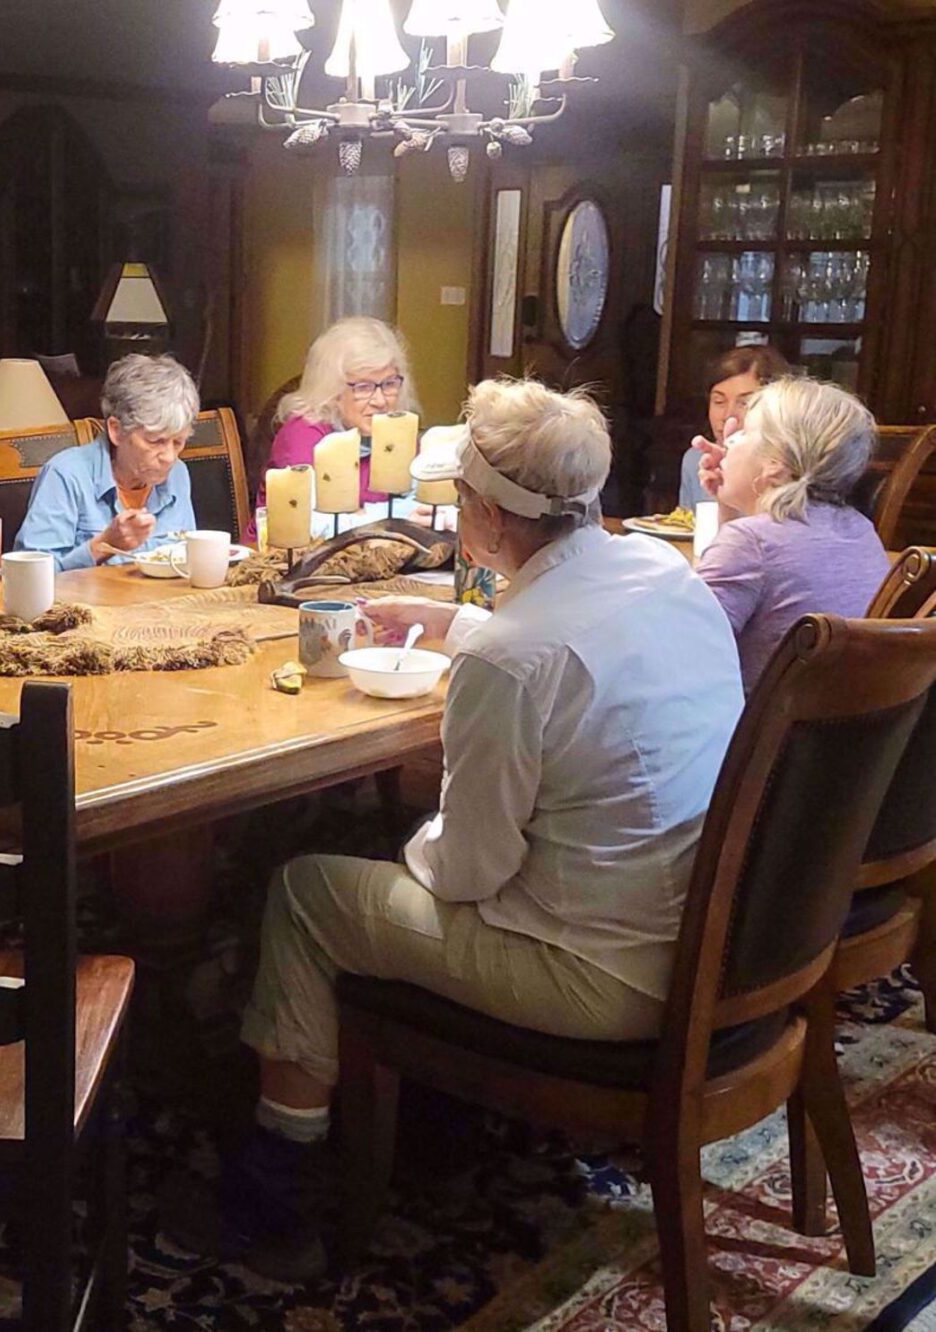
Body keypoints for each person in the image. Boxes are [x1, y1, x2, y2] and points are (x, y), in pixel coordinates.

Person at [164, 379, 745, 1281]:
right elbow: (571, 638)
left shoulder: (511, 659)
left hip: (602, 980)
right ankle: (420, 1108)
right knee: (395, 849)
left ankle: (270, 1195)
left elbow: (468, 872)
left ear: (480, 512)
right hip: (713, 942)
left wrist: (403, 845)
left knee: (308, 889)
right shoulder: (664, 575)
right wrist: (460, 621)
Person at [695, 377, 888, 691]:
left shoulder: (751, 542)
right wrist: (730, 503)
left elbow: (683, 648)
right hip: (836, 728)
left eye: (744, 432)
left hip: (754, 733)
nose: (728, 441)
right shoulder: (861, 529)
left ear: (775, 463)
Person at [14, 352, 199, 571]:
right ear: (116, 431)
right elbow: (28, 576)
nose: (169, 457)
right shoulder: (65, 475)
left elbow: (186, 559)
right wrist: (104, 545)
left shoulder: (178, 473)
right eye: (155, 441)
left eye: (178, 442)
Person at [257, 316, 421, 522]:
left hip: (380, 551)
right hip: (290, 553)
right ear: (332, 389)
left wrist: (361, 516)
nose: (380, 400)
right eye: (364, 387)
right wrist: (392, 515)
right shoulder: (303, 433)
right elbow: (311, 525)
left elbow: (426, 506)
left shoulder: (397, 431)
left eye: (389, 384)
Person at [679, 344, 789, 508]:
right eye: (719, 401)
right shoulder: (697, 460)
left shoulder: (788, 469)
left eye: (745, 403)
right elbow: (684, 526)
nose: (728, 416)